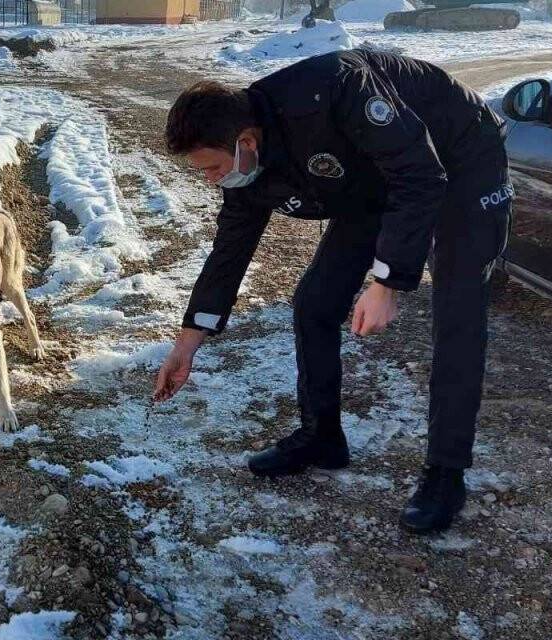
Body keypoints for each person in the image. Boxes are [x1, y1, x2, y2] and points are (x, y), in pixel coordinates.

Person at [153, 50, 511, 534]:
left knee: (457, 309)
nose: (211, 178)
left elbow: (420, 175)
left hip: (459, 152)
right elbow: (229, 252)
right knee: (315, 305)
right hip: (375, 174)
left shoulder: (335, 91)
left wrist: (387, 281)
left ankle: (446, 473)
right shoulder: (247, 165)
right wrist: (187, 343)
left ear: (245, 141)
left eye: (212, 167)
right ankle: (321, 436)